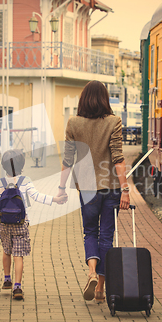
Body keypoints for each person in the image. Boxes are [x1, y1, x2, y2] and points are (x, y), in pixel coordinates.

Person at [57, 80, 130, 303]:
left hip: (87, 189)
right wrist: (125, 190)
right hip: (110, 188)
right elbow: (118, 158)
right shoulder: (114, 122)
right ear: (105, 99)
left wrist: (61, 188)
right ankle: (100, 288)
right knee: (106, 236)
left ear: (83, 99)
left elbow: (67, 160)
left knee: (90, 232)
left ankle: (90, 271)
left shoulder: (73, 123)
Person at [0, 149, 67, 300]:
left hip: (4, 224)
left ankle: (6, 278)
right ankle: (17, 286)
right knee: (18, 255)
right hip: (21, 223)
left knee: (6, 250)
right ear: (21, 165)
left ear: (3, 166)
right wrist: (55, 200)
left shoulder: (0, 183)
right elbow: (37, 196)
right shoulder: (25, 181)